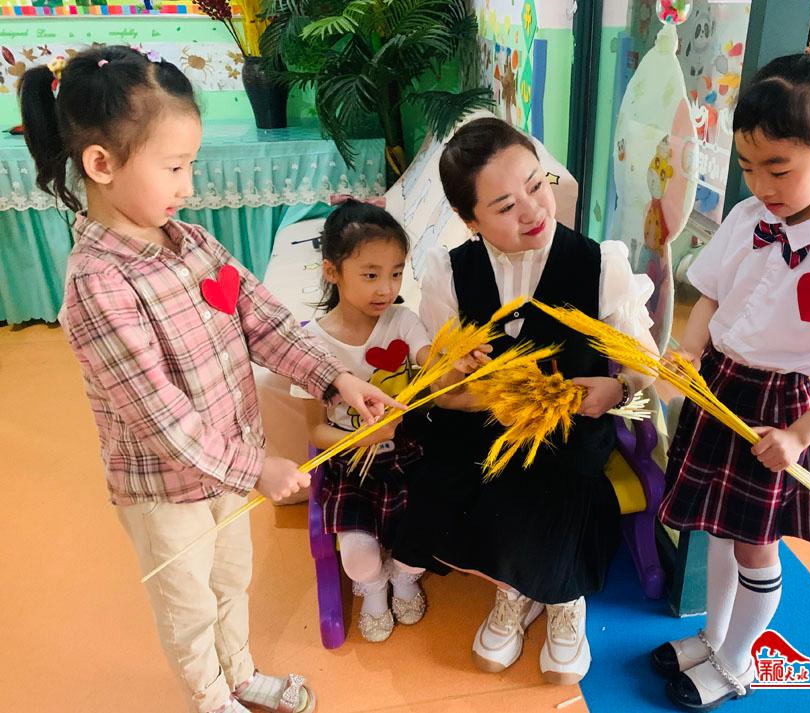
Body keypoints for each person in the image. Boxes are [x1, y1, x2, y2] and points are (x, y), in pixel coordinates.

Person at [19, 45, 400, 713]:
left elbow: (264, 319)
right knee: (188, 604)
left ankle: (240, 673)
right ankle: (210, 697)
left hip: (226, 469)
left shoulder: (191, 242)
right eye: (174, 167)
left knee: (231, 580)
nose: (188, 186)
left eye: (189, 165)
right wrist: (256, 468)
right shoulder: (97, 286)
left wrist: (336, 380)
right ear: (102, 165)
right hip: (166, 492)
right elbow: (161, 420)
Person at [650, 24, 810, 710]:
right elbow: (711, 294)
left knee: (755, 545)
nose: (760, 184)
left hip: (780, 409)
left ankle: (737, 663)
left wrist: (800, 434)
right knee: (717, 528)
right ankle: (711, 637)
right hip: (720, 385)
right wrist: (689, 353)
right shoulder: (749, 216)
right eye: (747, 166)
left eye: (778, 168)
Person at [392, 116, 657, 685]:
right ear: (469, 219)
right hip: (483, 424)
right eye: (506, 206)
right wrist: (452, 375)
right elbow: (440, 383)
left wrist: (618, 388)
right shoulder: (449, 273)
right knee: (464, 467)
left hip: (571, 424)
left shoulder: (600, 263)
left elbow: (645, 362)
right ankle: (514, 588)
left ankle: (562, 596)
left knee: (556, 471)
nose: (534, 211)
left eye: (538, 185)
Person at [295, 199, 430, 643]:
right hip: (350, 462)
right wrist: (361, 438)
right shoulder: (312, 344)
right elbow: (314, 430)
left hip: (409, 455)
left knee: (428, 531)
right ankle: (371, 586)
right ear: (332, 271)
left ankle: (404, 577)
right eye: (371, 275)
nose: (386, 288)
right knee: (357, 556)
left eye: (396, 273)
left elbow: (431, 360)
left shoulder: (403, 321)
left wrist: (451, 361)